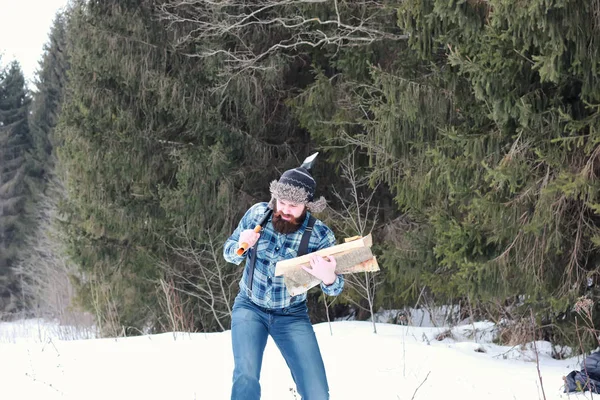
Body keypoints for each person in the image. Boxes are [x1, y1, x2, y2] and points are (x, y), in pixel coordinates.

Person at [223, 165, 345, 400]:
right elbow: (228, 252)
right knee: (245, 376)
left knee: (317, 390)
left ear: (307, 206)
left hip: (291, 315)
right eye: (282, 203)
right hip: (250, 306)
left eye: (293, 206)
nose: (285, 210)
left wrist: (328, 276)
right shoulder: (257, 215)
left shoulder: (320, 235)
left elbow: (336, 288)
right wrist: (242, 244)